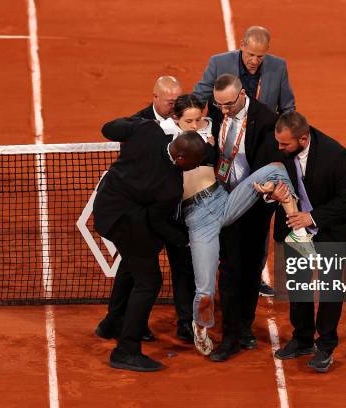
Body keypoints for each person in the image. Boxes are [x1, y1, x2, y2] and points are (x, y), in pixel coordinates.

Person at [158, 94, 307, 357]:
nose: (194, 124)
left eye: (197, 119)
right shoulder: (166, 142)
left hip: (222, 200)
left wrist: (270, 189)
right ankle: (201, 326)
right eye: (188, 121)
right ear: (176, 120)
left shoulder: (208, 129)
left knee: (275, 169)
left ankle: (298, 228)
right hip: (198, 219)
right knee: (205, 289)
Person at [93, 116, 206, 372]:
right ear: (180, 159)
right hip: (124, 223)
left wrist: (134, 123)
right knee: (149, 281)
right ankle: (126, 350)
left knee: (133, 266)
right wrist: (186, 241)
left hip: (107, 206)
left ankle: (111, 324)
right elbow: (159, 224)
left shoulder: (147, 130)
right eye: (193, 164)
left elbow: (108, 128)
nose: (194, 168)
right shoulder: (170, 184)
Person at [270, 111, 346, 373]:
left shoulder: (336, 156)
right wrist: (272, 194)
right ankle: (302, 339)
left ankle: (325, 346)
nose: (279, 148)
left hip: (331, 229)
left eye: (285, 144)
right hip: (295, 227)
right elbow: (271, 181)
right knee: (298, 283)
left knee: (330, 287)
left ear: (302, 138)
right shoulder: (282, 149)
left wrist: (311, 218)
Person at [201, 74, 285, 362]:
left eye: (228, 105)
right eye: (219, 104)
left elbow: (267, 168)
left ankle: (244, 327)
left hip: (253, 205)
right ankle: (231, 337)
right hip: (223, 200)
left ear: (241, 95)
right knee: (229, 269)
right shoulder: (216, 111)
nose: (223, 110)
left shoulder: (265, 120)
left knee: (250, 271)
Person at [128, 75, 196, 343]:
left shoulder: (184, 120)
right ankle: (135, 323)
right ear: (155, 98)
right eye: (170, 102)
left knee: (183, 267)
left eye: (178, 100)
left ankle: (186, 322)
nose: (175, 106)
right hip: (148, 214)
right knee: (141, 273)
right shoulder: (138, 123)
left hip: (177, 210)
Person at [193, 26, 295, 114]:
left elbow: (287, 108)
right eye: (251, 55)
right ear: (242, 45)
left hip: (261, 130)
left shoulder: (278, 67)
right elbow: (199, 97)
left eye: (260, 56)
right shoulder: (219, 63)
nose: (255, 61)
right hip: (224, 127)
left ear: (267, 48)